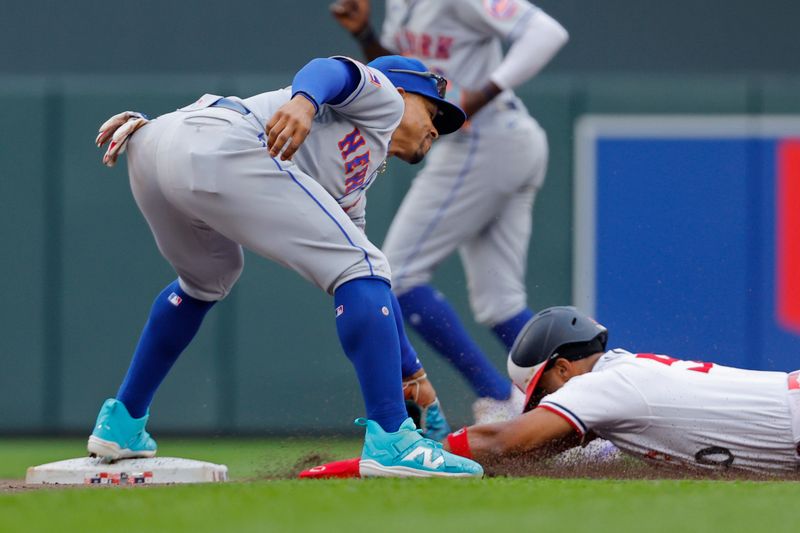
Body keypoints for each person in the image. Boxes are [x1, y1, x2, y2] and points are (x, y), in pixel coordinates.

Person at [87, 54, 483, 478]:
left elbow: (369, 283)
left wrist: (412, 372)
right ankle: (392, 438)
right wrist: (305, 102)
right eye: (433, 110)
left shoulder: (353, 186)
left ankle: (123, 422)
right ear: (402, 91)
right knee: (361, 265)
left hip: (157, 146)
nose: (436, 128)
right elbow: (333, 69)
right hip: (218, 140)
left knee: (209, 277)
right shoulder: (383, 99)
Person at [330, 0, 569, 422]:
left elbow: (547, 33)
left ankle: (502, 398)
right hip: (496, 143)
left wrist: (480, 95)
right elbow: (401, 88)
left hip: (484, 140)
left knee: (398, 275)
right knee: (500, 302)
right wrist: (366, 35)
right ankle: (581, 403)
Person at [439, 306, 800, 475]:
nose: (545, 407)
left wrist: (424, 450)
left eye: (543, 394)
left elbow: (507, 441)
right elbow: (533, 449)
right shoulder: (621, 375)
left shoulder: (602, 384)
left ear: (563, 368)